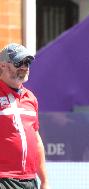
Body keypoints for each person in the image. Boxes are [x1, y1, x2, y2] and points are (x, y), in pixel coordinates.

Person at [0, 43, 50, 189]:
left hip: (30, 180)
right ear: (3, 65)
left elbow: (36, 139)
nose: (24, 67)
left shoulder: (31, 97)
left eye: (27, 62)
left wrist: (45, 180)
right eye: (19, 62)